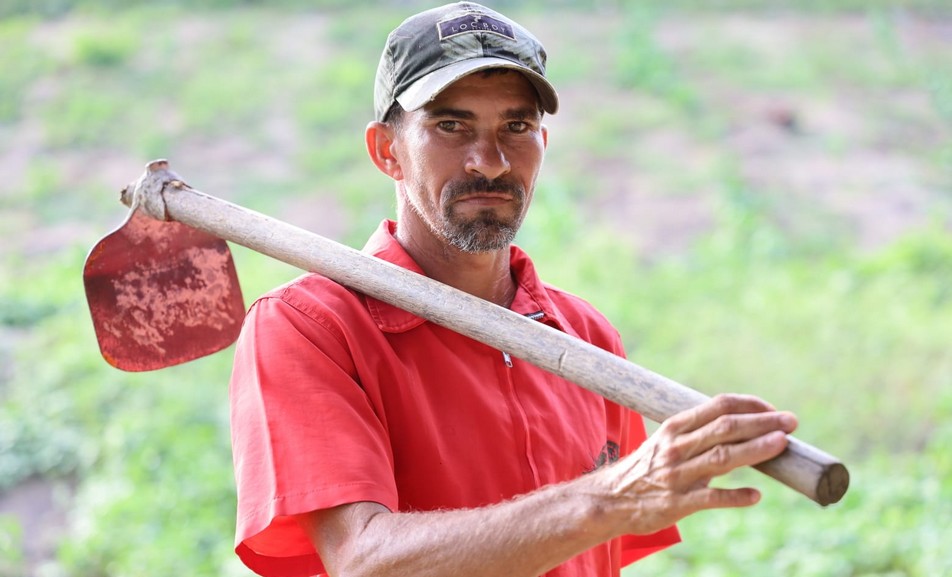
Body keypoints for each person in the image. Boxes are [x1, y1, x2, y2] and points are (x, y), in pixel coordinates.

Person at [228, 3, 798, 577]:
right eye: (451, 127)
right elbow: (365, 562)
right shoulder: (310, 327)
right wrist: (610, 498)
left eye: (516, 128)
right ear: (386, 151)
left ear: (543, 142)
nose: (491, 163)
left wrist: (609, 504)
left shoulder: (587, 340)